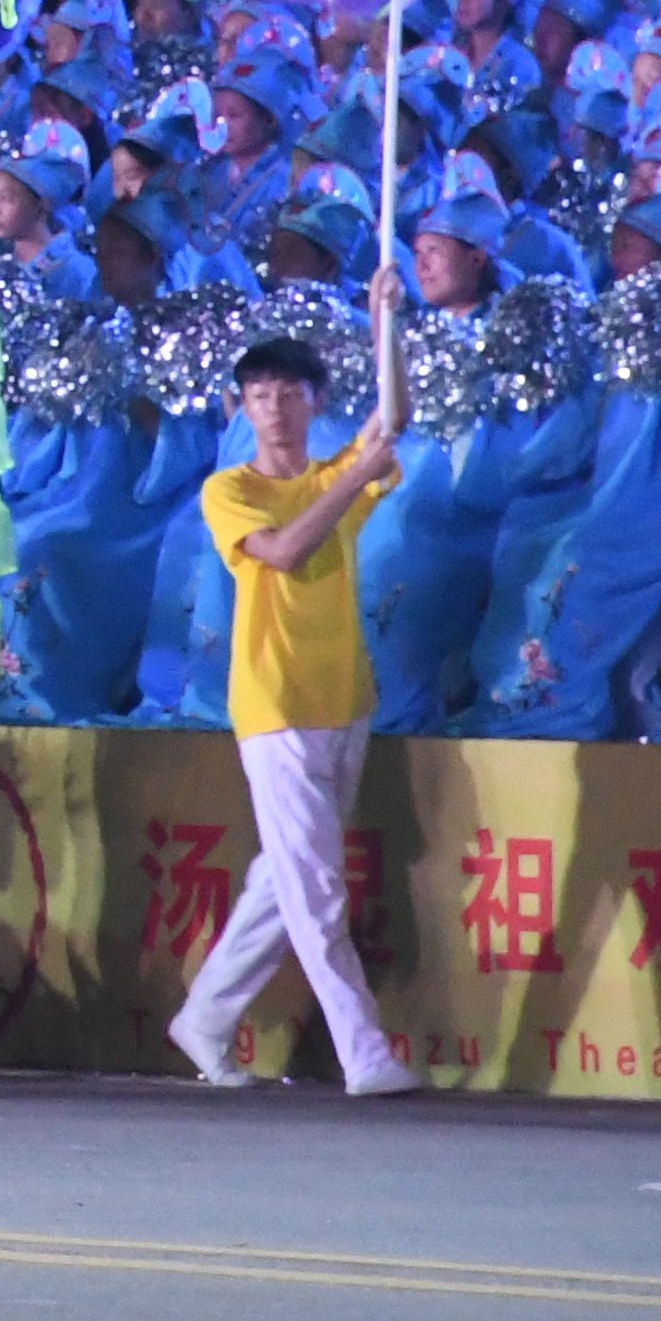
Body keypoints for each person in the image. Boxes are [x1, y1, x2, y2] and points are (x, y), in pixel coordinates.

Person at [173, 265, 419, 1094]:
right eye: (258, 394)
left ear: (314, 401)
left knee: (284, 878)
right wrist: (351, 477)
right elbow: (283, 552)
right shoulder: (229, 490)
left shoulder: (333, 476)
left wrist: (388, 320)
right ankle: (365, 1054)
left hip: (344, 698)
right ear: (242, 409)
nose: (273, 406)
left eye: (287, 391)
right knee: (315, 891)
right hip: (273, 707)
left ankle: (204, 1017)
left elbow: (394, 422)